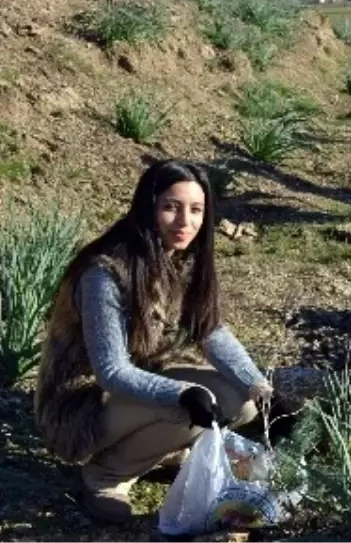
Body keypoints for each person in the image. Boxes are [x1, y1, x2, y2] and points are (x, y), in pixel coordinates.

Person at [33, 160, 273, 525]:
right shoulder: (106, 273)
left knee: (241, 402)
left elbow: (211, 333)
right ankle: (107, 476)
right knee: (189, 404)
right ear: (148, 206)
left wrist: (262, 390)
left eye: (196, 210)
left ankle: (153, 452)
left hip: (133, 391)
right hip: (80, 405)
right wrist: (182, 394)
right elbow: (111, 371)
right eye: (170, 207)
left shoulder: (183, 261)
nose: (184, 222)